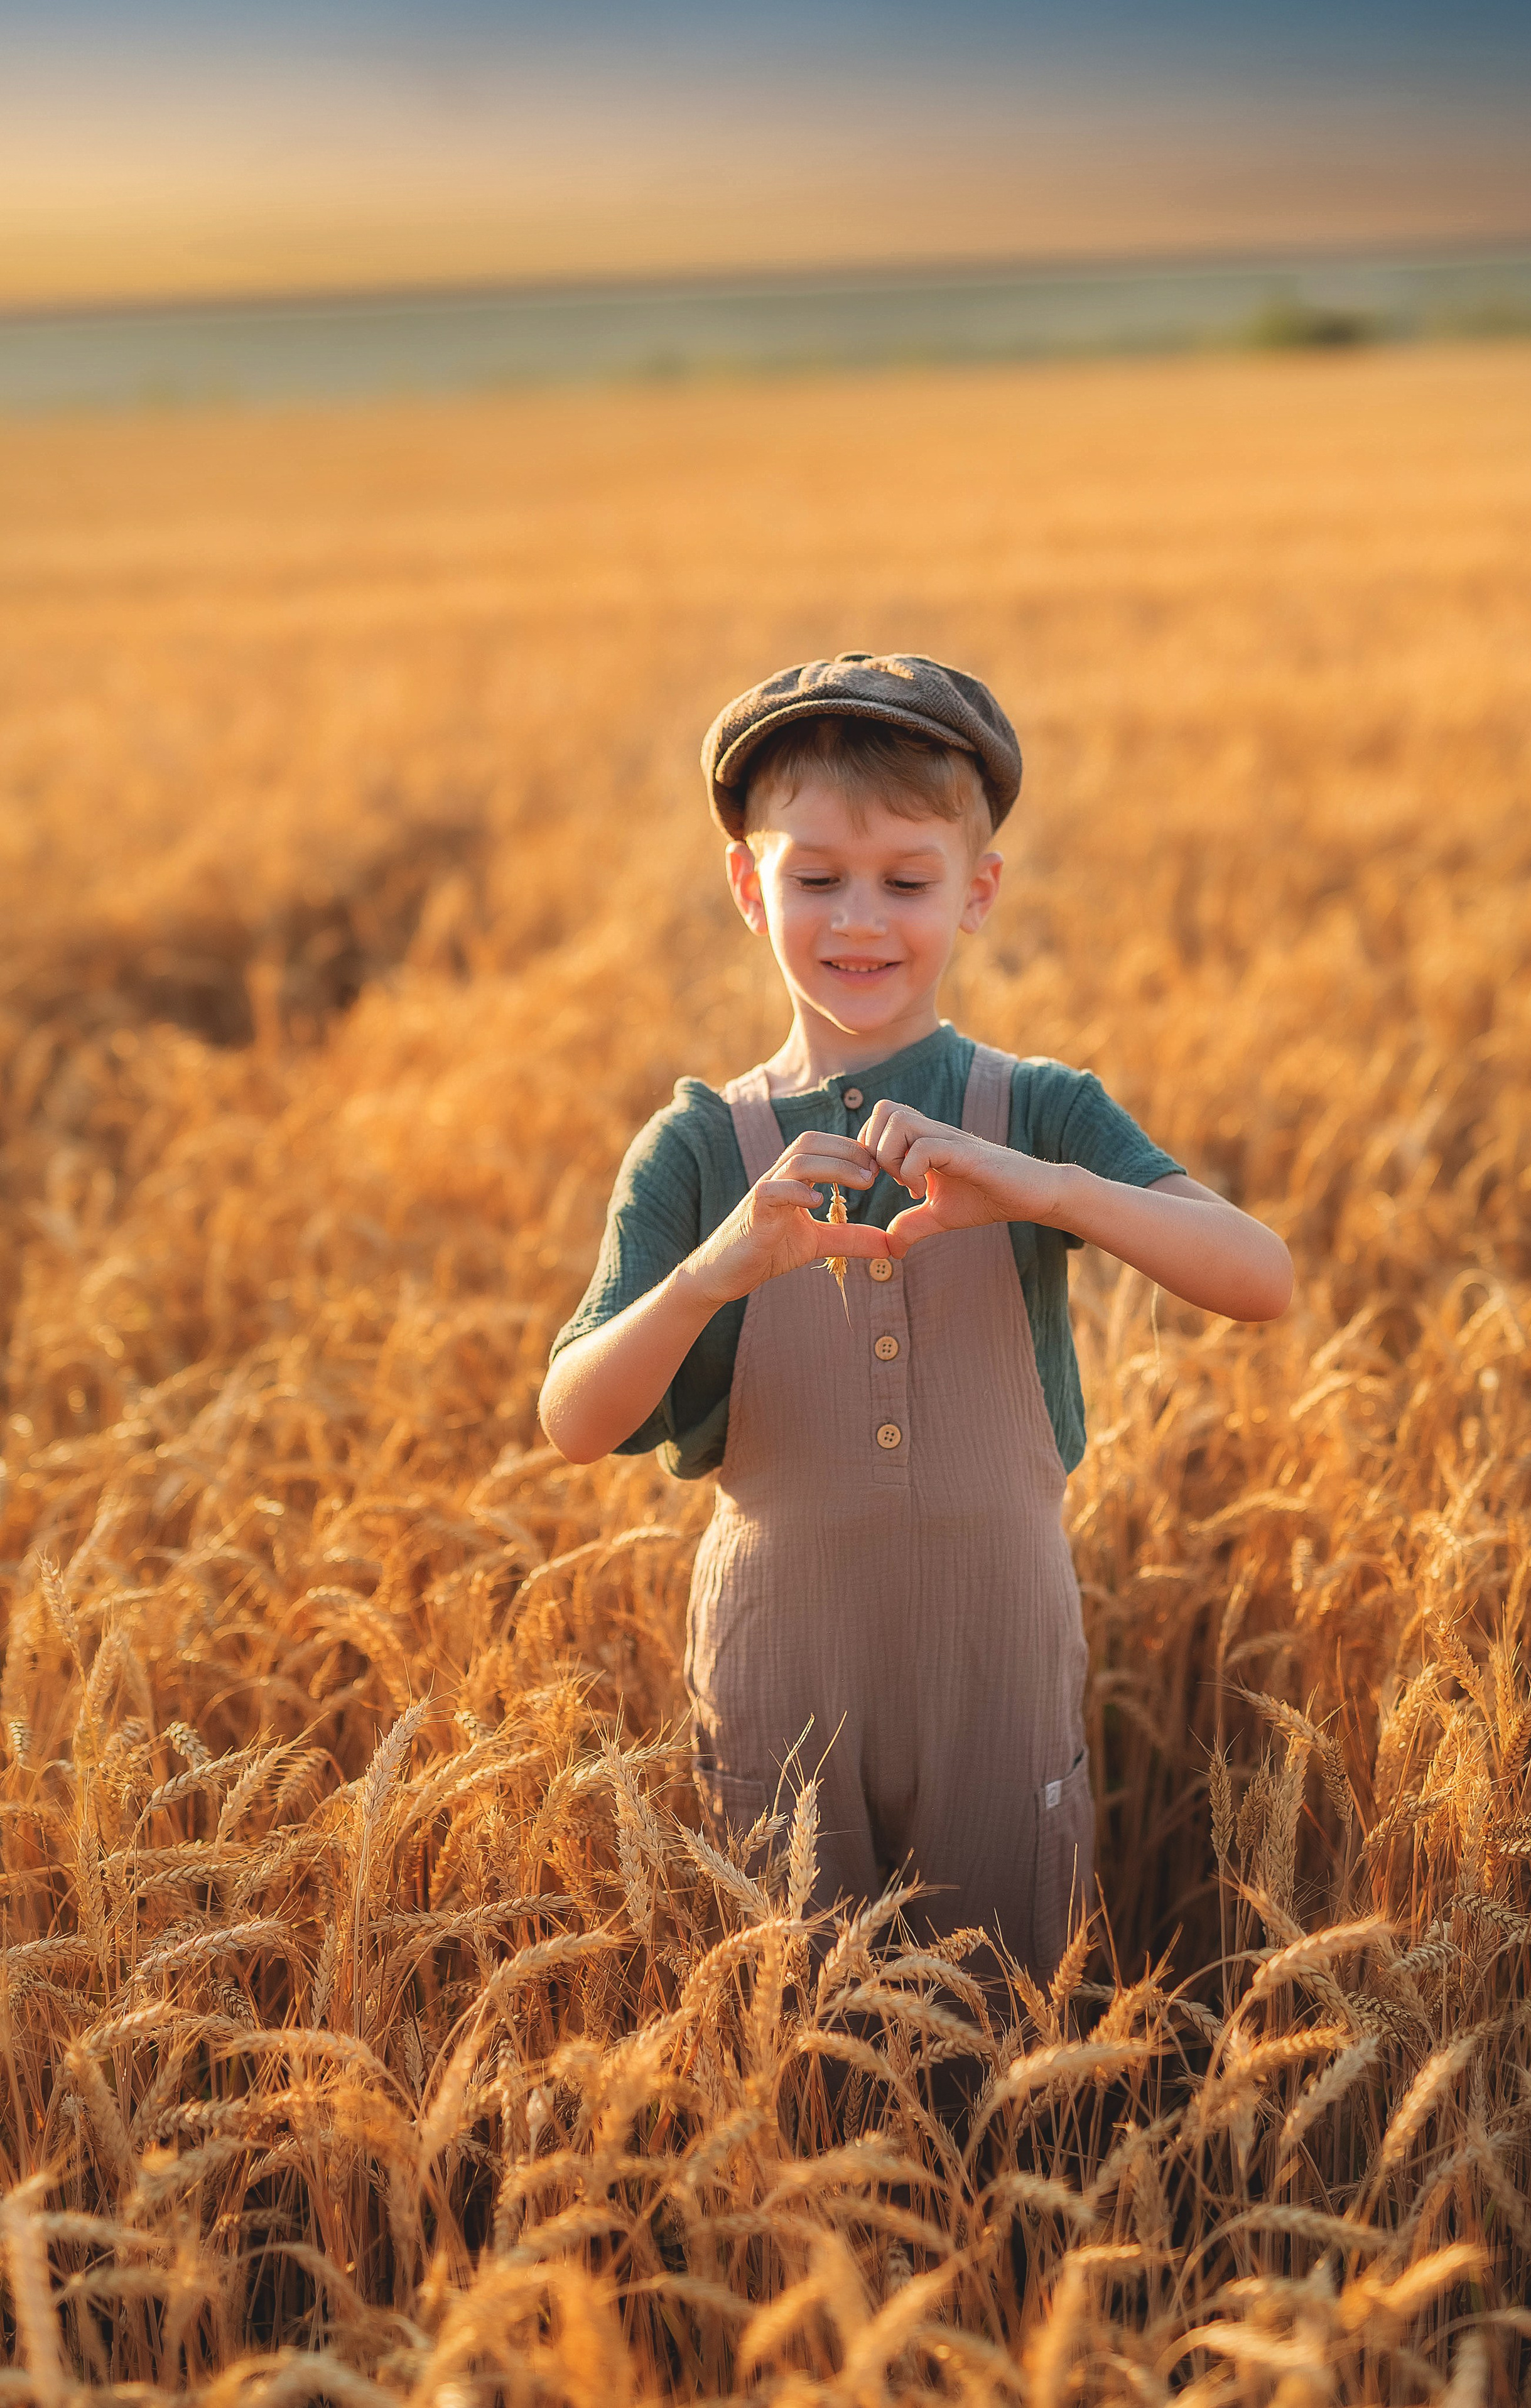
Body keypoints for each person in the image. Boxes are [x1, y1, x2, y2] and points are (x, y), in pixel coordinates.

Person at [539, 652, 1292, 1980]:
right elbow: (574, 1416)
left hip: (995, 1656)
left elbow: (1256, 1277)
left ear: (977, 890)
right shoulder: (700, 1146)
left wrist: (1045, 1183)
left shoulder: (1037, 1108)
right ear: (744, 886)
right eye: (814, 876)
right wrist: (719, 1265)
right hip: (782, 1667)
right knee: (799, 2032)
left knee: (1004, 2037)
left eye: (906, 879)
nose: (859, 919)